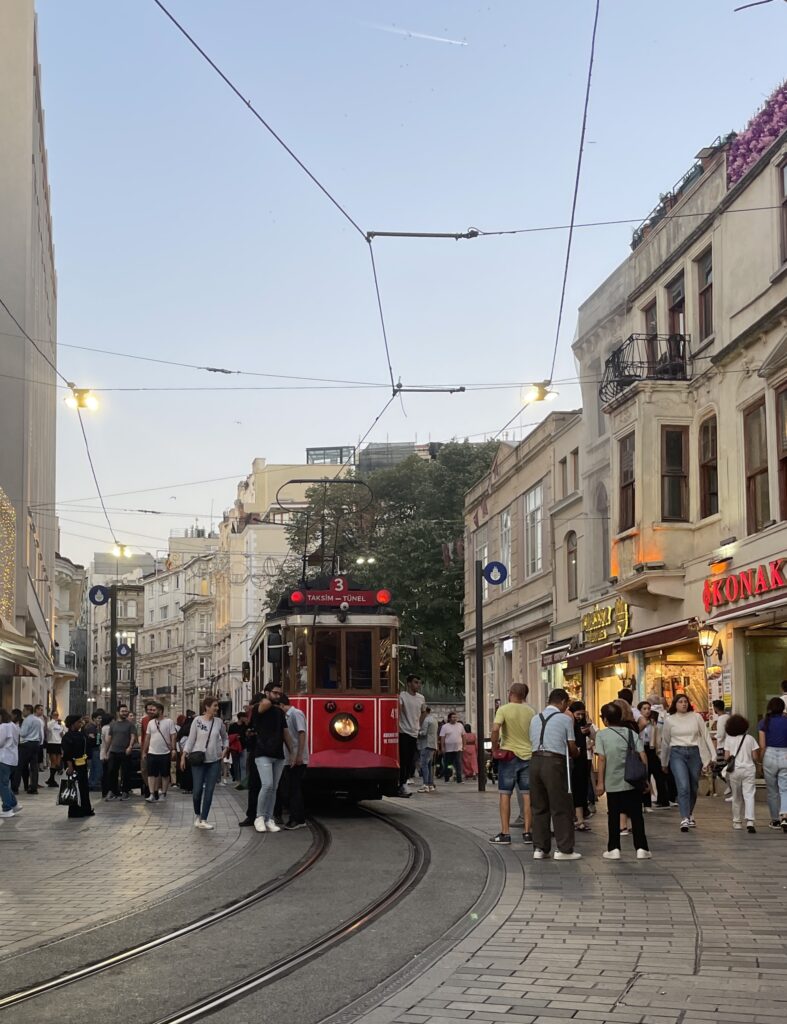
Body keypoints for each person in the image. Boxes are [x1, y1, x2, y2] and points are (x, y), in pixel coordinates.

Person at [528, 688, 581, 860]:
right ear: (564, 702)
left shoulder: (535, 718)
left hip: (535, 761)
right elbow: (571, 745)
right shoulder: (565, 719)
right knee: (561, 805)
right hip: (555, 762)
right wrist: (577, 753)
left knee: (539, 806)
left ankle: (540, 848)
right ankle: (565, 849)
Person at [594, 701, 650, 860]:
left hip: (613, 783)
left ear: (605, 720)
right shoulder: (631, 733)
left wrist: (600, 783)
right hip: (632, 782)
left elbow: (602, 760)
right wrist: (644, 777)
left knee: (614, 816)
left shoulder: (602, 735)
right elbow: (643, 755)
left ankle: (614, 848)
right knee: (637, 815)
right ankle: (641, 848)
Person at [660, 694, 715, 832]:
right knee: (683, 785)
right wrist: (664, 762)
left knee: (693, 786)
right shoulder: (670, 720)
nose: (683, 704)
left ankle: (689, 813)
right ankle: (684, 817)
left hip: (694, 752)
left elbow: (706, 736)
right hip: (677, 753)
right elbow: (665, 742)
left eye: (685, 701)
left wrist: (712, 755)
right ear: (675, 704)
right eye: (680, 702)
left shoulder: (696, 717)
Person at [489, 682, 535, 846]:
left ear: (511, 693)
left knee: (505, 793)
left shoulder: (504, 709)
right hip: (528, 756)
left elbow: (495, 729)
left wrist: (495, 748)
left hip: (508, 756)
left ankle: (505, 833)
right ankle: (528, 832)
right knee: (527, 795)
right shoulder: (531, 711)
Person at [181, 695, 229, 829]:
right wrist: (183, 755)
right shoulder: (197, 721)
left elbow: (225, 738)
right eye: (215, 705)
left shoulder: (219, 722)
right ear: (207, 707)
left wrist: (225, 749)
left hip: (214, 760)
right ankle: (197, 814)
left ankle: (204, 819)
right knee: (196, 791)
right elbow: (191, 740)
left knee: (209, 790)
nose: (217, 708)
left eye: (217, 706)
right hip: (198, 760)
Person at [252, 682, 291, 833]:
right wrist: (267, 698)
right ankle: (259, 817)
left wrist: (292, 752)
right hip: (262, 753)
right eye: (275, 693)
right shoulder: (259, 708)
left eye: (279, 693)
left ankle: (269, 818)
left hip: (278, 754)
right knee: (267, 785)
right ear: (267, 693)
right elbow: (265, 704)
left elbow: (285, 733)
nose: (278, 696)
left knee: (274, 788)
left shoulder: (280, 712)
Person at [723, 714, 759, 833]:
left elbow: (726, 757)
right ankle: (750, 821)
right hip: (749, 769)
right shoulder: (750, 738)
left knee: (737, 796)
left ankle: (737, 822)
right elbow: (755, 756)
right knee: (749, 795)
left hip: (735, 771)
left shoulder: (729, 739)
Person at [758, 696, 787, 832]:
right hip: (785, 755)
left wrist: (760, 760)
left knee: (772, 791)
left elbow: (762, 745)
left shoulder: (764, 722)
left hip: (769, 755)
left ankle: (775, 820)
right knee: (784, 788)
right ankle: (785, 816)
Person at [279, 694, 308, 830]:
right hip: (289, 758)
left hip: (296, 758)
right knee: (289, 789)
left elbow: (302, 733)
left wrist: (299, 755)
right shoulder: (286, 716)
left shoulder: (296, 714)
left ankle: (298, 818)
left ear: (281, 705)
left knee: (294, 789)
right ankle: (296, 817)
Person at [142, 702, 177, 802]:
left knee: (165, 774)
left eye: (154, 710)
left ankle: (163, 793)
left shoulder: (169, 722)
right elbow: (147, 738)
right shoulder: (150, 723)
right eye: (151, 710)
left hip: (165, 752)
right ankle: (152, 793)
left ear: (160, 711)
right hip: (152, 752)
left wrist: (173, 749)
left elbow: (173, 736)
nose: (152, 712)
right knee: (151, 774)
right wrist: (144, 751)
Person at [637, 700, 670, 808]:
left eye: (648, 709)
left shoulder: (653, 722)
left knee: (658, 774)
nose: (647, 711)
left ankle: (663, 800)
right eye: (644, 709)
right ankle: (646, 802)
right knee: (645, 775)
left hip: (652, 749)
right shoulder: (638, 723)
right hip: (642, 749)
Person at [61, 714, 94, 818]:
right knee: (74, 787)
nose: (81, 724)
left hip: (82, 764)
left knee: (84, 787)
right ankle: (75, 810)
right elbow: (67, 753)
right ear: (73, 723)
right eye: (79, 722)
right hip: (73, 765)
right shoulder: (68, 737)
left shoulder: (81, 735)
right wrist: (69, 766)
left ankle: (86, 808)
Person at [103, 705, 137, 801]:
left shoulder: (130, 724)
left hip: (125, 751)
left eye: (126, 711)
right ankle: (113, 791)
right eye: (123, 711)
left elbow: (133, 736)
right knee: (112, 771)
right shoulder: (113, 724)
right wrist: (106, 751)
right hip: (114, 751)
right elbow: (109, 738)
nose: (125, 713)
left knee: (126, 772)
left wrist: (130, 746)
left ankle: (125, 791)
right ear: (118, 712)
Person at [397, 675, 424, 797]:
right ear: (408, 683)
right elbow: (399, 709)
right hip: (403, 731)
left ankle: (405, 780)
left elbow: (423, 712)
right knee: (404, 758)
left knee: (410, 759)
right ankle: (402, 782)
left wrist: (419, 725)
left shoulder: (421, 698)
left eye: (419, 683)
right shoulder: (402, 696)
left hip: (414, 732)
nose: (418, 685)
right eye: (415, 682)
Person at [569, 701, 593, 831]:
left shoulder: (584, 725)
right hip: (573, 759)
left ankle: (580, 818)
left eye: (582, 714)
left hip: (583, 759)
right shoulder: (569, 724)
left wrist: (589, 728)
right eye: (577, 714)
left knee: (582, 788)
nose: (579, 717)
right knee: (575, 789)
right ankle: (578, 818)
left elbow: (595, 736)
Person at [14, 704, 43, 795]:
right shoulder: (38, 720)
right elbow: (40, 734)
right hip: (36, 743)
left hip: (26, 744)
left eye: (24, 710)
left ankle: (15, 788)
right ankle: (33, 787)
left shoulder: (27, 720)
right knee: (34, 767)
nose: (23, 712)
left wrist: (17, 728)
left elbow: (23, 734)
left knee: (20, 766)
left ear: (28, 711)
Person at [0, 708, 20, 819]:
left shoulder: (3, 727)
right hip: (12, 758)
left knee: (2, 784)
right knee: (4, 783)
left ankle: (7, 808)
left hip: (3, 758)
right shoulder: (13, 725)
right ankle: (14, 804)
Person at [439, 712, 465, 784]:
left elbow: (463, 736)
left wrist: (464, 745)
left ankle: (459, 779)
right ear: (449, 718)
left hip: (458, 748)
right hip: (448, 749)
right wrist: (442, 747)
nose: (454, 719)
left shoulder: (460, 725)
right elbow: (442, 737)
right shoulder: (445, 727)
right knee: (448, 764)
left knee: (458, 763)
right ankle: (447, 778)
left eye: (456, 717)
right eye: (453, 717)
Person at [417, 706, 438, 792]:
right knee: (429, 765)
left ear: (425, 712)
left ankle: (425, 784)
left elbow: (424, 733)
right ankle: (430, 784)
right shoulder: (434, 719)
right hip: (433, 744)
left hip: (426, 744)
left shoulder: (426, 720)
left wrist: (416, 733)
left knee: (424, 764)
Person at [176, 711, 195, 794]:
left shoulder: (182, 730)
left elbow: (179, 741)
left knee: (184, 770)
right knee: (192, 771)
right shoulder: (193, 729)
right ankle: (192, 787)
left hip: (183, 754)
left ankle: (185, 787)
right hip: (193, 754)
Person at [44, 711, 65, 787]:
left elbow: (63, 731)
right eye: (55, 715)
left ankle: (51, 778)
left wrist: (62, 734)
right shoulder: (50, 723)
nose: (56, 716)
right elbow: (47, 728)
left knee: (58, 763)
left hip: (59, 743)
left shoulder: (60, 724)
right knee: (53, 761)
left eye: (57, 715)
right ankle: (51, 779)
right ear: (52, 715)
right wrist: (53, 720)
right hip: (52, 743)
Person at [227, 712, 248, 783]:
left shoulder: (246, 726)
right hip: (235, 747)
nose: (246, 718)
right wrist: (235, 737)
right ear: (241, 717)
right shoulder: (233, 726)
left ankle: (243, 781)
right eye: (245, 717)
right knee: (236, 764)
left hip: (243, 746)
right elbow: (229, 736)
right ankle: (237, 779)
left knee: (243, 765)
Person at [85, 712, 102, 791]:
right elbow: (93, 740)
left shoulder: (97, 727)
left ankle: (92, 783)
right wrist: (98, 741)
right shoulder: (91, 727)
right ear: (94, 718)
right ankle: (93, 783)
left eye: (100, 718)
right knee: (95, 767)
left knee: (94, 767)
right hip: (93, 749)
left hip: (95, 748)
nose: (100, 720)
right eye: (98, 718)